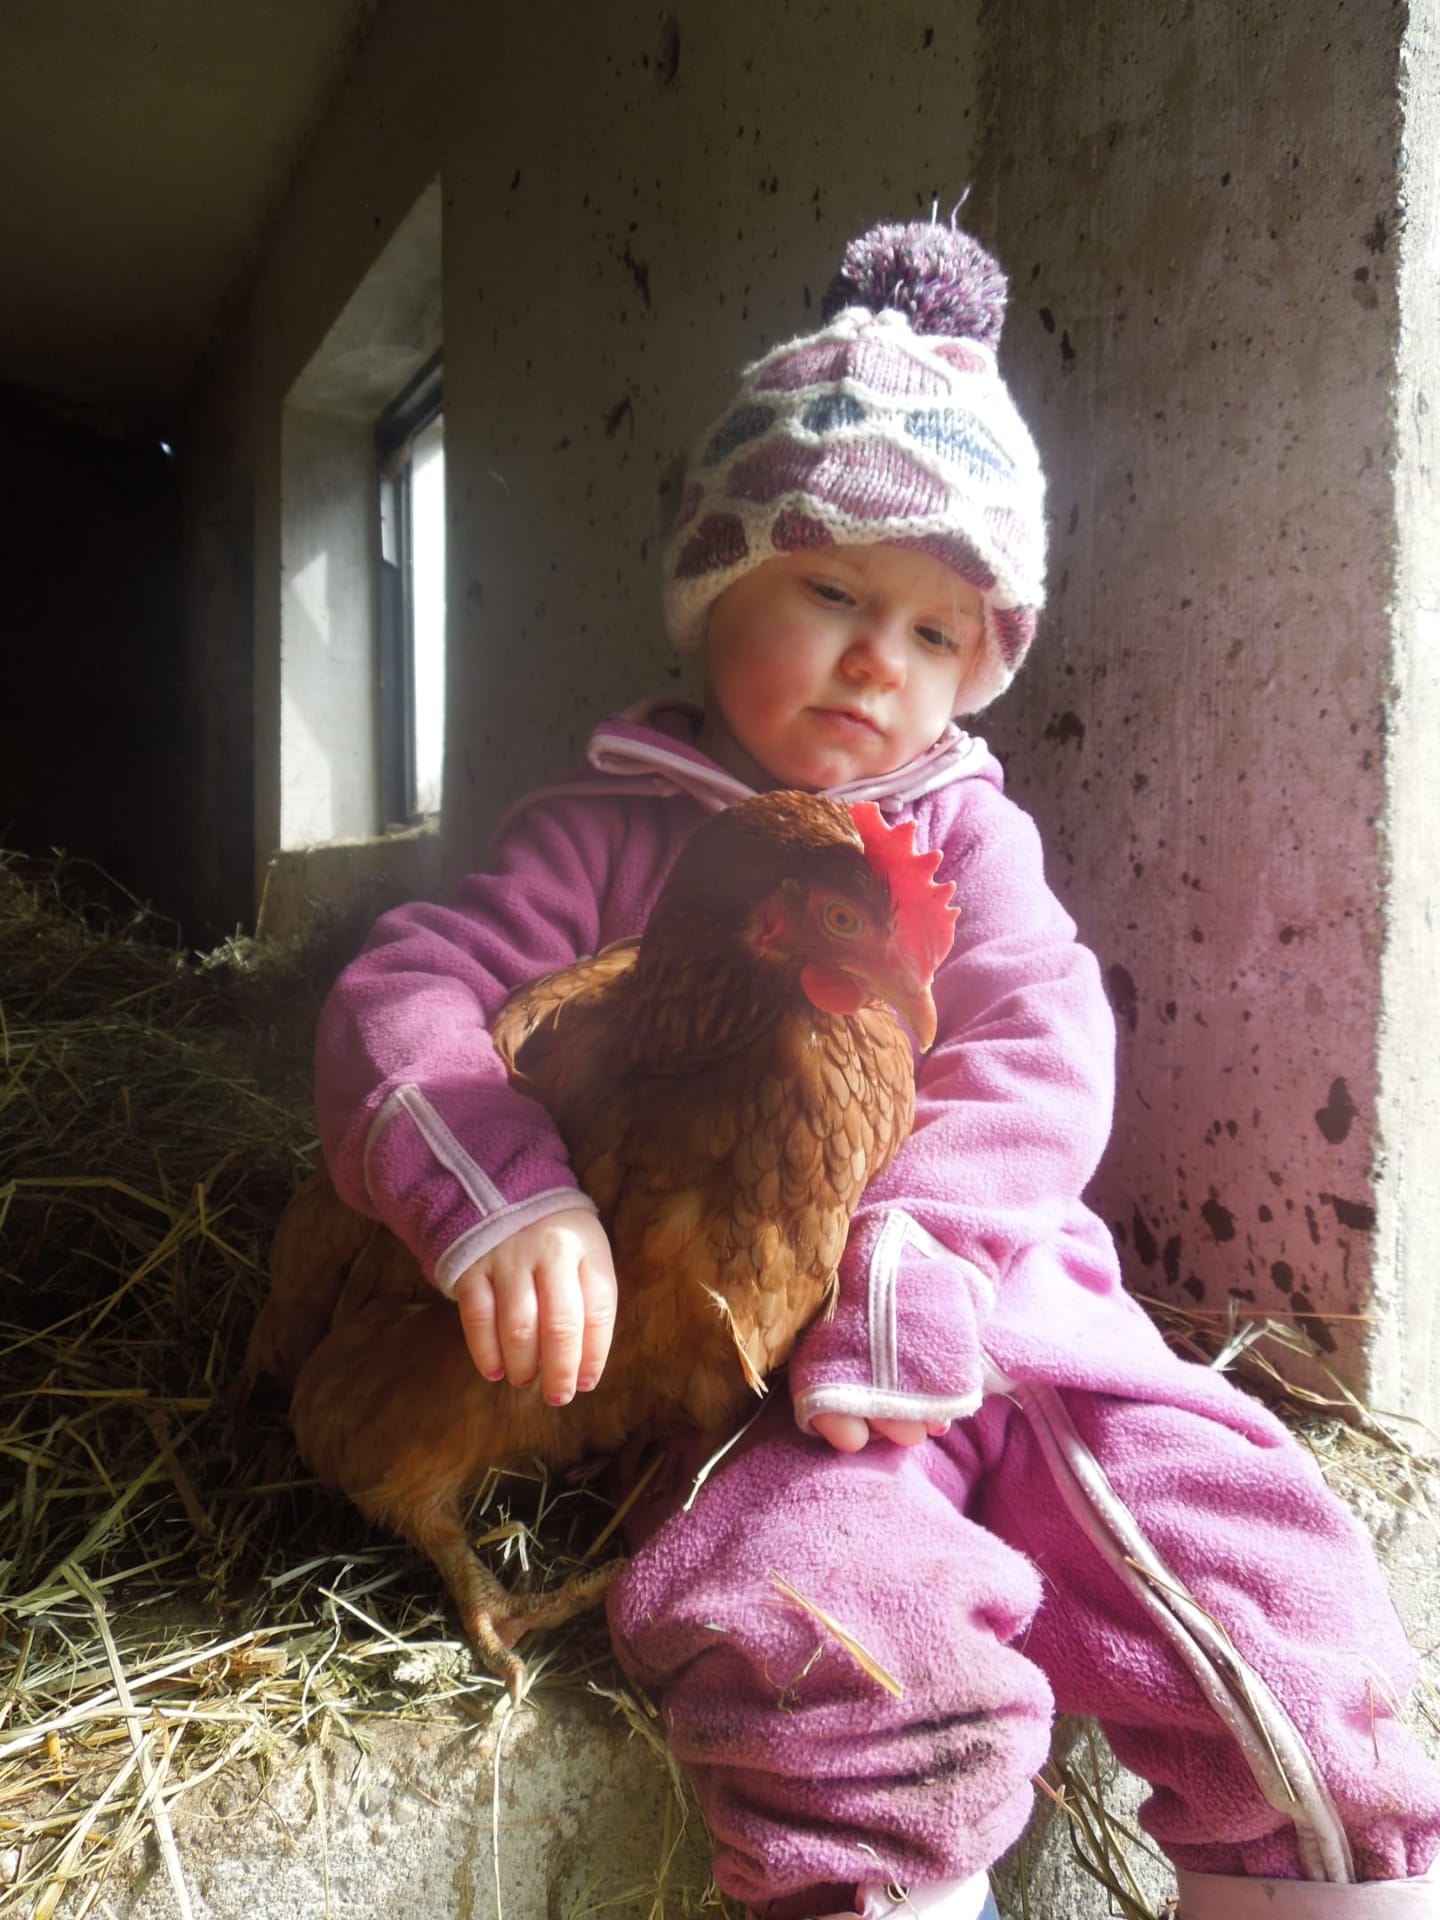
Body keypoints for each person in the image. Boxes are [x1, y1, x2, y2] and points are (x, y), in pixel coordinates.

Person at [313, 220, 1440, 1919]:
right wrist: (499, 1195)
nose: (875, 662)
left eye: (934, 632)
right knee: (836, 1628)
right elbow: (409, 993)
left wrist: (917, 1261)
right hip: (749, 1379)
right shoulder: (603, 835)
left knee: (1256, 1574)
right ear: (714, 592)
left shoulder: (968, 839)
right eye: (832, 593)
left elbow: (1042, 1051)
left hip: (1005, 1307)